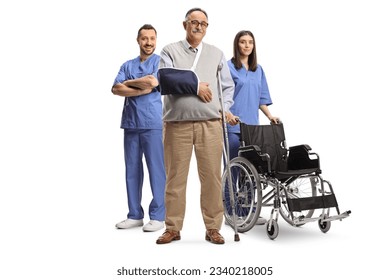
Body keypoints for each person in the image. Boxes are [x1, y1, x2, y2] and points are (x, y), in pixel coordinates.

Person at [155, 8, 235, 245]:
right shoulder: (170, 51)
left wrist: (223, 108)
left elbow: (227, 87)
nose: (198, 26)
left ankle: (213, 228)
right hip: (176, 124)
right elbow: (165, 79)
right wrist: (196, 86)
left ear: (207, 27)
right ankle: (173, 228)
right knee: (175, 178)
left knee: (211, 179)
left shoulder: (216, 54)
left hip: (209, 124)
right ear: (185, 24)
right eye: (194, 22)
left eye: (203, 23)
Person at [112, 24, 166, 232]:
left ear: (156, 40)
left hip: (153, 123)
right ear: (138, 40)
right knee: (132, 170)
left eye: (152, 38)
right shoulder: (127, 64)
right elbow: (116, 88)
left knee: (156, 170)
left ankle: (158, 216)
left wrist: (130, 85)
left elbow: (153, 81)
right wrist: (141, 88)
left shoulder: (160, 61)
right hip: (131, 123)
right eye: (144, 38)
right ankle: (134, 215)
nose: (149, 43)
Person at [227, 30, 280, 225]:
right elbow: (221, 96)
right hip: (232, 126)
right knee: (233, 168)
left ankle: (247, 211)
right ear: (237, 44)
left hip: (252, 128)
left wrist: (270, 116)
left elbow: (261, 99)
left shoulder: (259, 70)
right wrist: (228, 114)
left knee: (250, 172)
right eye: (243, 42)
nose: (247, 45)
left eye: (250, 42)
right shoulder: (228, 67)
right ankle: (230, 211)